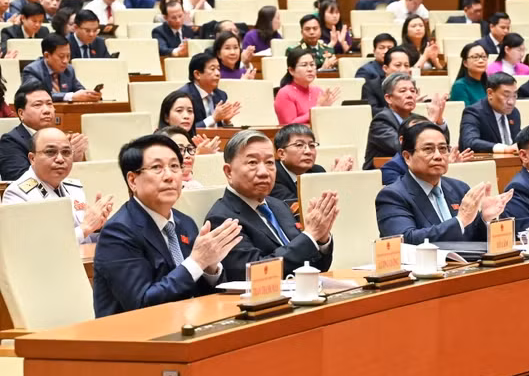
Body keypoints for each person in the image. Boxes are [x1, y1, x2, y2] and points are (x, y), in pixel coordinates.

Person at [92, 134, 243, 317]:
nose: (169, 176)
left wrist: (210, 267)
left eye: (174, 167)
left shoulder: (184, 223)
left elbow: (200, 294)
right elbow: (142, 305)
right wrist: (197, 262)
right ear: (132, 180)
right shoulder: (117, 232)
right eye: (157, 167)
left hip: (187, 325)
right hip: (136, 337)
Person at [205, 130, 337, 279]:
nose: (264, 172)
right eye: (252, 163)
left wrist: (320, 239)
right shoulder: (222, 218)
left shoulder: (278, 205)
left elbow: (316, 267)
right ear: (229, 172)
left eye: (269, 162)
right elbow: (254, 274)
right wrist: (309, 236)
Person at [375, 122, 512, 244]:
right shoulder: (392, 196)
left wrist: (485, 219)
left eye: (443, 149)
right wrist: (459, 221)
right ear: (407, 157)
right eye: (428, 149)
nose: (438, 156)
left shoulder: (459, 188)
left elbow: (474, 238)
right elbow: (405, 240)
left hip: (467, 267)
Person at [3, 127, 114, 242]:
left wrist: (98, 227)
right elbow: (34, 246)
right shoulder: (17, 194)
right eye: (50, 152)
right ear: (32, 158)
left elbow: (86, 240)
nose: (60, 159)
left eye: (66, 152)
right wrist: (85, 228)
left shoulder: (74, 188)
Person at [0, 82, 88, 181]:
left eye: (49, 104)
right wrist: (68, 159)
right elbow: (20, 182)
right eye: (38, 105)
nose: (46, 110)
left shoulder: (60, 138)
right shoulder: (10, 141)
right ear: (21, 113)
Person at [363, 73, 448, 169]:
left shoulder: (418, 119)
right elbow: (403, 147)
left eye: (413, 91)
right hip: (383, 176)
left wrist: (439, 120)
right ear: (389, 98)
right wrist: (431, 121)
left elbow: (444, 145)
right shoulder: (381, 121)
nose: (409, 95)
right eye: (403, 91)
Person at [270, 124, 353, 205]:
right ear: (282, 154)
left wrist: (341, 180)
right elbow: (296, 211)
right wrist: (334, 180)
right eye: (299, 145)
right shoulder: (272, 175)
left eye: (312, 145)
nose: (308, 151)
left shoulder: (317, 171)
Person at [22, 34, 100, 103]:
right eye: (61, 56)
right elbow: (39, 95)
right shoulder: (32, 71)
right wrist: (71, 97)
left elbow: (79, 91)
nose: (65, 61)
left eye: (68, 56)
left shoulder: (69, 70)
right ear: (47, 56)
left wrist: (90, 95)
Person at [459, 72, 521, 153]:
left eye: (514, 96)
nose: (511, 102)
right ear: (490, 93)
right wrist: (503, 149)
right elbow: (469, 142)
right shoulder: (474, 112)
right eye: (506, 95)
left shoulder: (514, 113)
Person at [274, 48, 339, 125]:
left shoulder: (318, 91)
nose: (310, 69)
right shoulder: (284, 93)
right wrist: (317, 109)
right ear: (291, 70)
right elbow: (288, 126)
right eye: (304, 65)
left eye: (312, 64)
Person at [178, 53, 240, 128]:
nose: (218, 73)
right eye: (212, 69)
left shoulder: (221, 95)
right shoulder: (183, 97)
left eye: (218, 69)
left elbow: (222, 131)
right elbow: (184, 129)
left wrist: (226, 121)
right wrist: (213, 118)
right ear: (197, 74)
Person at [361, 45, 412, 112]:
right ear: (385, 68)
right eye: (398, 65)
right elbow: (372, 112)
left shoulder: (411, 87)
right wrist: (400, 107)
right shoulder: (371, 86)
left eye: (406, 65)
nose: (403, 70)